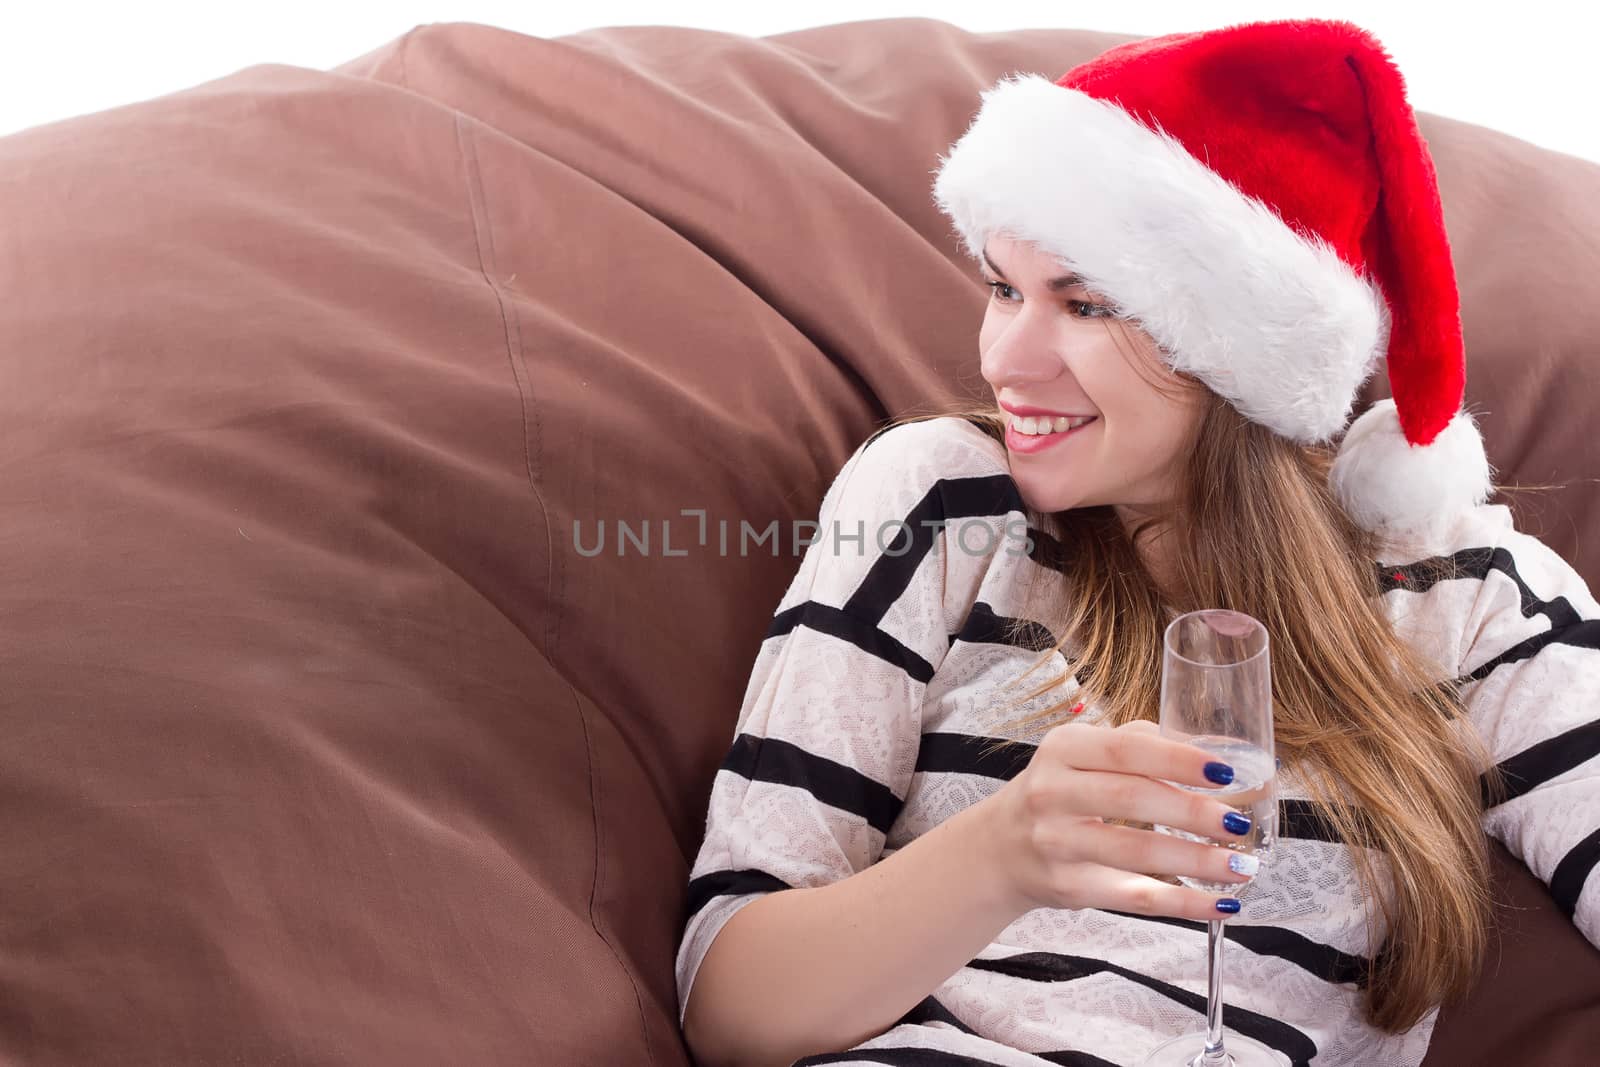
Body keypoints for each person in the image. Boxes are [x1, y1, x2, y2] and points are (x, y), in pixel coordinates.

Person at [674, 17, 1600, 1067]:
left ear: (1233, 352)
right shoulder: (941, 502)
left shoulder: (1461, 587)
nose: (1004, 361)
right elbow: (731, 1003)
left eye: (1086, 304)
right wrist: (1004, 853)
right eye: (1003, 287)